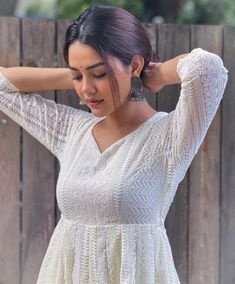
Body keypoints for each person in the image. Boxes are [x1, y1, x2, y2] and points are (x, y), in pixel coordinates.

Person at [0, 4, 228, 284]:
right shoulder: (72, 130)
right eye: (78, 76)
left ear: (134, 65)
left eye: (99, 74)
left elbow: (207, 68)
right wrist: (77, 75)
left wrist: (156, 74)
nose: (86, 90)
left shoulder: (169, 137)